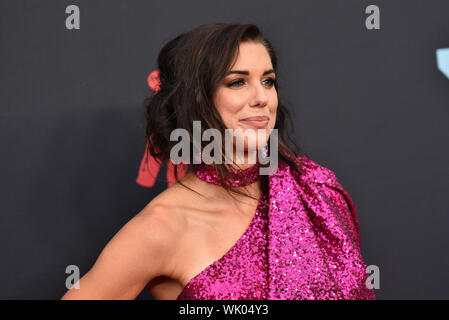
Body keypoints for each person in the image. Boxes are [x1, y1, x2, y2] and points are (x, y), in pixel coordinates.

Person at [61, 22, 376, 300]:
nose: (262, 98)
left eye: (268, 80)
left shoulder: (314, 190)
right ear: (195, 99)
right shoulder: (161, 227)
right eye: (237, 82)